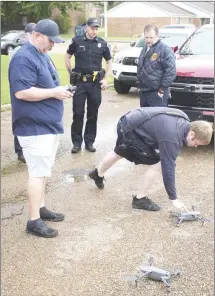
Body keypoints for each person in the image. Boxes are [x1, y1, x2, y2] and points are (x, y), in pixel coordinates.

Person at [8, 19, 73, 238]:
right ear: (37, 36)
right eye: (51, 40)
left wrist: (59, 89)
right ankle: (33, 220)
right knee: (37, 173)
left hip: (46, 126)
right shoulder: (23, 57)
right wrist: (54, 93)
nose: (53, 45)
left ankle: (41, 208)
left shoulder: (41, 55)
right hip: (33, 127)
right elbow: (22, 92)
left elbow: (46, 85)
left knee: (43, 171)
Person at [89, 107, 213, 212]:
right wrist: (174, 199)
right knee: (158, 163)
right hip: (130, 128)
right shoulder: (172, 138)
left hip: (131, 120)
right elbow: (168, 169)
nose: (196, 146)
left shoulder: (184, 120)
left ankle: (97, 174)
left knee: (119, 152)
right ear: (192, 134)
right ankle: (140, 199)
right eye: (197, 143)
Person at [65, 17, 112, 154]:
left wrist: (106, 78)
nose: (94, 31)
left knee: (93, 114)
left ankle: (89, 141)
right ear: (86, 27)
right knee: (78, 113)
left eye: (97, 28)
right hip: (80, 83)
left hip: (95, 84)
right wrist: (70, 73)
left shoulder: (102, 43)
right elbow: (67, 56)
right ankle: (76, 143)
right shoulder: (76, 41)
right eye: (92, 28)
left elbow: (109, 61)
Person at [10, 22, 36, 163]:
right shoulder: (19, 51)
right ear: (27, 34)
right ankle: (20, 151)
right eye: (33, 33)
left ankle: (28, 148)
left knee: (30, 119)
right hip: (20, 88)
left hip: (31, 88)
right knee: (20, 119)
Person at [137, 25, 176, 108]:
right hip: (144, 92)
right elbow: (141, 68)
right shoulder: (144, 49)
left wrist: (162, 89)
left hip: (157, 93)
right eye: (146, 37)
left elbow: (171, 72)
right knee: (145, 119)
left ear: (157, 36)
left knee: (157, 119)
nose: (148, 40)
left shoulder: (165, 50)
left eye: (151, 37)